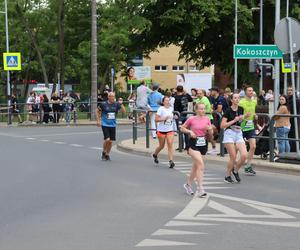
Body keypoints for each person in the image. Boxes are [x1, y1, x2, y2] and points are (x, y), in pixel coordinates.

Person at [181, 103, 213, 197]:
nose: (203, 110)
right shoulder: (192, 119)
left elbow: (210, 134)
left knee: (196, 167)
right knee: (201, 165)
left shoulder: (207, 119)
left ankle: (188, 185)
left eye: (204, 109)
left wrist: (210, 129)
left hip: (203, 143)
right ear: (196, 110)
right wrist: (190, 131)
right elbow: (182, 128)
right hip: (193, 143)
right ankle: (200, 189)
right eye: (201, 109)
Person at [221, 93, 247, 184]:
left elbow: (240, 121)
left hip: (238, 132)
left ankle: (235, 170)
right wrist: (234, 120)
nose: (237, 99)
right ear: (231, 100)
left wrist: (242, 118)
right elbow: (222, 125)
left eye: (238, 98)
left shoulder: (241, 109)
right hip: (229, 133)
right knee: (233, 156)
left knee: (244, 155)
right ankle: (227, 175)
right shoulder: (228, 111)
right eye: (235, 98)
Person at [96, 92, 126, 161]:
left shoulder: (116, 104)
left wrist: (121, 104)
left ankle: (107, 154)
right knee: (107, 139)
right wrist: (98, 120)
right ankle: (104, 151)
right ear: (108, 97)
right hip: (105, 124)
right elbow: (97, 111)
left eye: (113, 96)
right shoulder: (103, 104)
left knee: (110, 142)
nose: (112, 98)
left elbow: (124, 112)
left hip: (113, 124)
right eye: (111, 96)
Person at [152, 96, 175, 168]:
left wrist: (175, 117)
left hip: (170, 130)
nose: (168, 102)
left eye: (169, 100)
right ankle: (155, 154)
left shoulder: (171, 108)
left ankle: (171, 161)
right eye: (166, 100)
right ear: (163, 102)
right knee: (161, 146)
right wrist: (163, 118)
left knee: (170, 144)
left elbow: (173, 117)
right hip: (161, 130)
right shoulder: (161, 109)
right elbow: (156, 119)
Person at [239, 86, 257, 175]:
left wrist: (255, 115)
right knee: (236, 148)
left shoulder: (254, 101)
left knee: (253, 146)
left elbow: (253, 112)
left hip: (250, 126)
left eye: (252, 90)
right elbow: (238, 115)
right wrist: (244, 116)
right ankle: (233, 165)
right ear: (245, 92)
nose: (251, 92)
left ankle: (248, 166)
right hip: (242, 126)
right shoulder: (241, 102)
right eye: (249, 91)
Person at [174, 85, 193, 150]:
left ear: (177, 90)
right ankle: (187, 146)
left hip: (179, 115)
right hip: (186, 114)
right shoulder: (186, 96)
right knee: (186, 131)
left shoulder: (176, 97)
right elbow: (191, 99)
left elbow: (175, 106)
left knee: (180, 131)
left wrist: (175, 114)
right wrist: (186, 93)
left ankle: (181, 146)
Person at [287, 86, 300, 152]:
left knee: (294, 135)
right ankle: (291, 150)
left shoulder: (297, 100)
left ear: (294, 91)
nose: (289, 91)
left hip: (295, 120)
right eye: (288, 90)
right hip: (288, 121)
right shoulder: (287, 99)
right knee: (289, 135)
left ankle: (294, 150)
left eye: (291, 90)